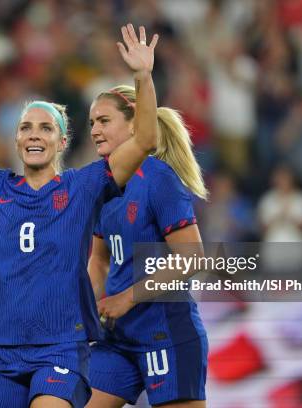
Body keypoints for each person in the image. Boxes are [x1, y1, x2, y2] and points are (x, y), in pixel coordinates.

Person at [0, 25, 159, 408]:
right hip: (5, 351)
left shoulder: (84, 185)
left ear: (61, 141)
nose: (34, 134)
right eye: (26, 127)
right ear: (17, 139)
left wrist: (142, 77)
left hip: (61, 347)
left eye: (45, 128)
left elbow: (145, 140)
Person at [86, 85, 209, 406]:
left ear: (133, 124)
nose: (95, 130)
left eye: (103, 120)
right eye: (91, 123)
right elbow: (98, 261)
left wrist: (126, 298)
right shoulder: (101, 184)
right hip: (117, 339)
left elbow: (192, 258)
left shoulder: (159, 179)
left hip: (167, 336)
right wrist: (79, 308)